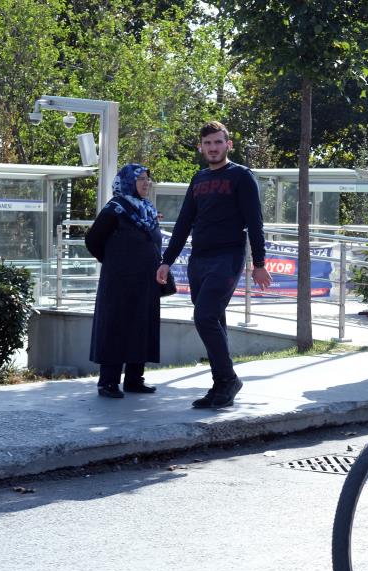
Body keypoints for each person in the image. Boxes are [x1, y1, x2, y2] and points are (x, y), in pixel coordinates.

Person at [157, 121, 272, 409]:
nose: (213, 148)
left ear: (228, 145)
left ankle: (228, 379)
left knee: (204, 316)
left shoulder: (242, 177)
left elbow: (255, 223)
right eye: (207, 143)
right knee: (214, 319)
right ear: (201, 147)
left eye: (218, 142)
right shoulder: (198, 179)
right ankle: (221, 384)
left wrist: (259, 262)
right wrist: (166, 261)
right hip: (199, 259)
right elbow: (183, 223)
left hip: (228, 257)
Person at [86, 164, 163, 398]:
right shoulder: (115, 208)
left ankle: (134, 379)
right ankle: (108, 382)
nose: (146, 183)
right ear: (128, 181)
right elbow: (93, 240)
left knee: (141, 327)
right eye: (141, 179)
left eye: (148, 179)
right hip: (119, 282)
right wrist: (114, 262)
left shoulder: (147, 209)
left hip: (145, 281)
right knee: (116, 327)